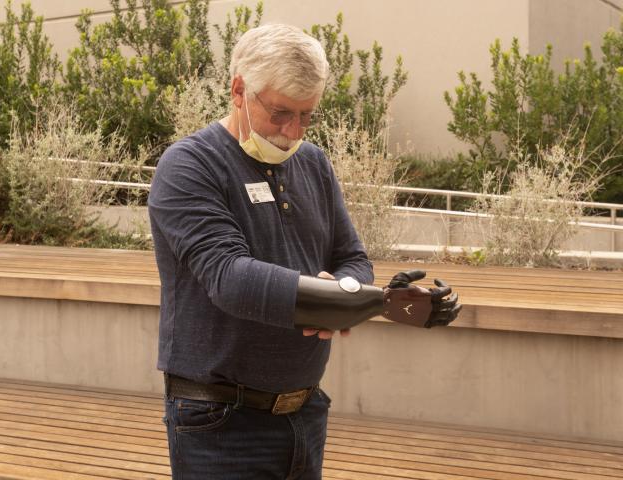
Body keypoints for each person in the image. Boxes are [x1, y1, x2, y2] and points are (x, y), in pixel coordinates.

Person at [148, 23, 460, 480]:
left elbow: (351, 257)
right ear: (238, 90)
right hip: (218, 421)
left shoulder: (312, 163)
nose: (292, 132)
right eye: (279, 113)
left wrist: (348, 292)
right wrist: (346, 301)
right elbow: (230, 279)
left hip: (305, 410)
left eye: (306, 116)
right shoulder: (189, 165)